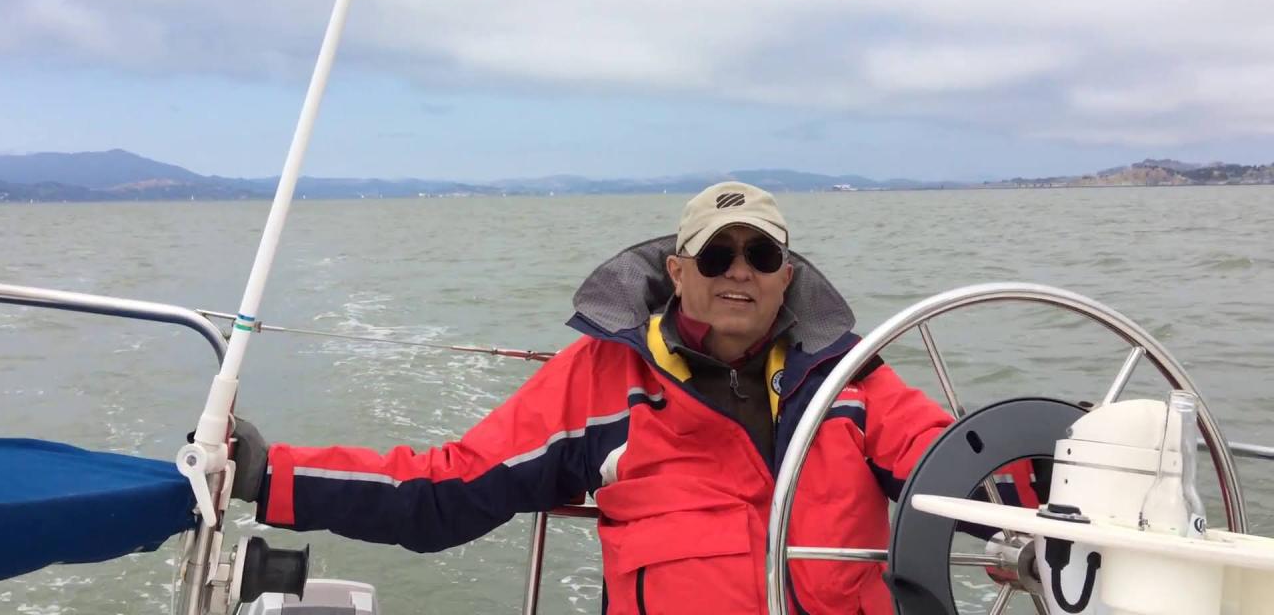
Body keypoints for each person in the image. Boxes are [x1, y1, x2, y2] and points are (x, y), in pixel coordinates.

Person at [229, 181, 960, 614]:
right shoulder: (601, 380)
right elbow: (446, 489)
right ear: (678, 271)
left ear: (786, 278)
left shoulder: (853, 384)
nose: (739, 271)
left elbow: (958, 472)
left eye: (761, 255)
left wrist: (1063, 477)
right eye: (716, 255)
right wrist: (271, 474)